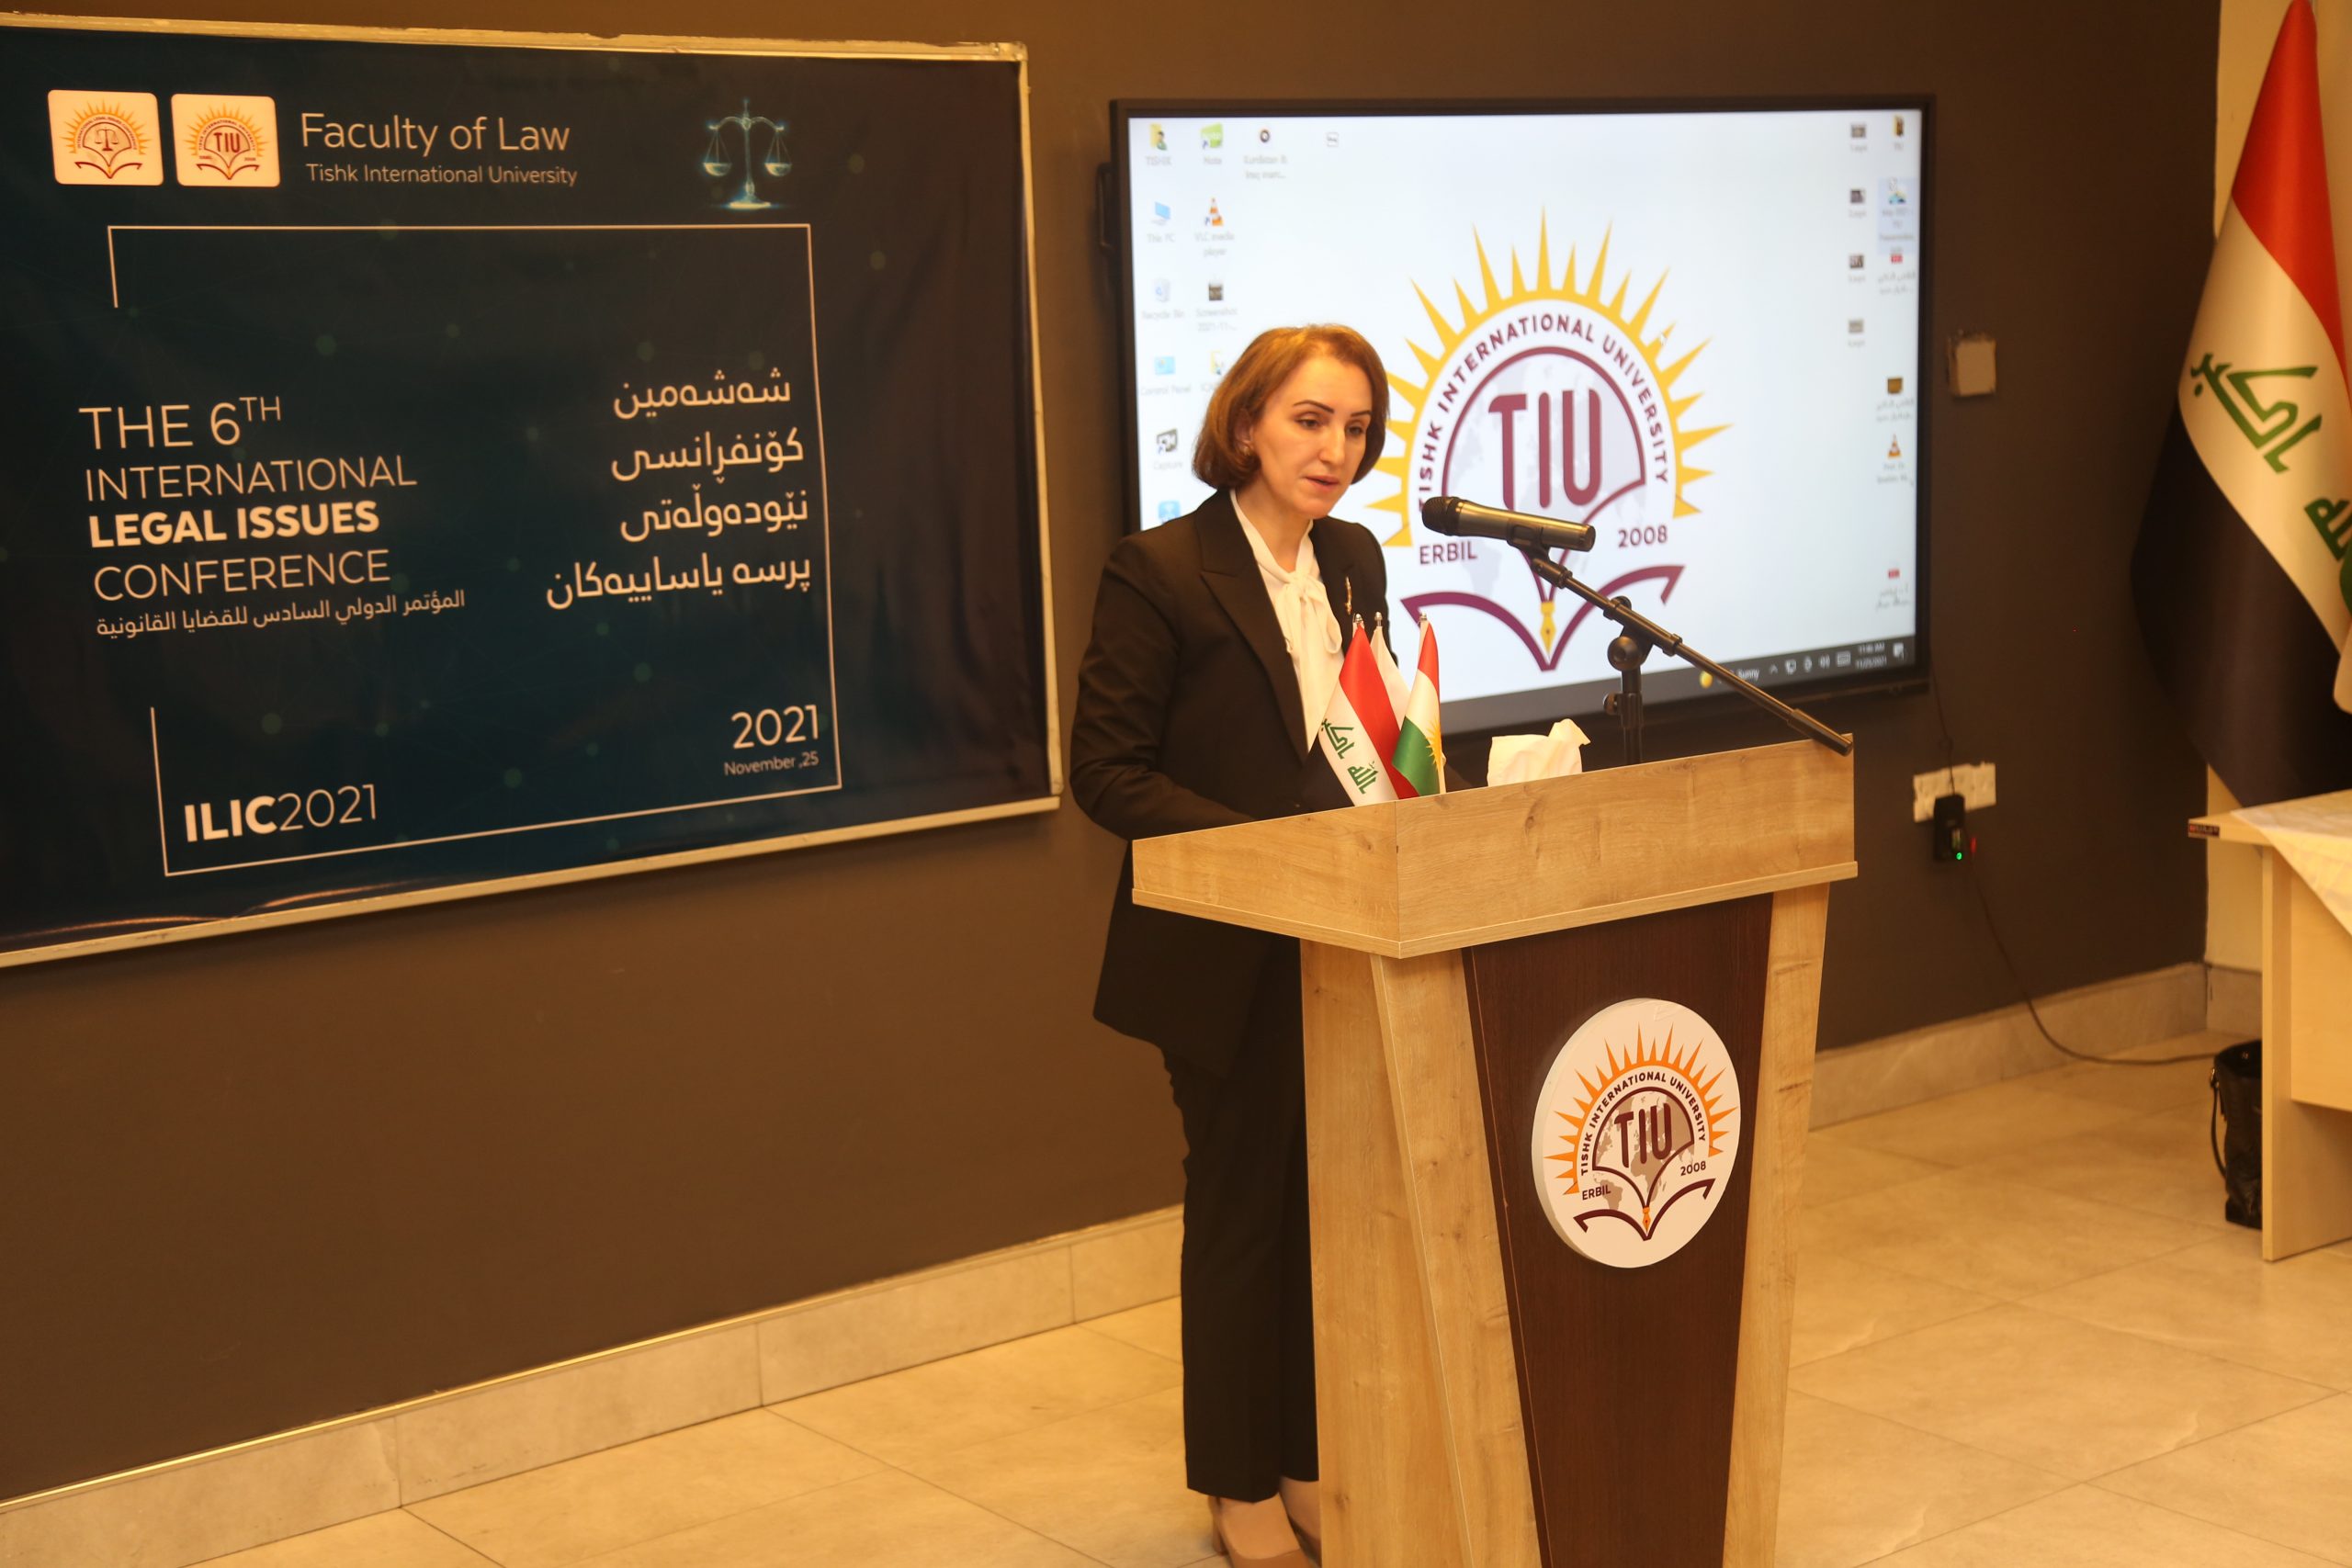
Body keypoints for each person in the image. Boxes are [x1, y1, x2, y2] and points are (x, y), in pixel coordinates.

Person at [1069, 324, 1391, 1568]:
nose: (1335, 450)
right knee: (1245, 1214)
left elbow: (1366, 732)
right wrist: (1269, 850)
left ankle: (1301, 1458)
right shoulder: (1159, 570)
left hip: (1340, 942)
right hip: (1219, 952)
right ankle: (1236, 1487)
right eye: (1311, 420)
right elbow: (1109, 774)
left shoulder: (1353, 558)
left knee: (1323, 1215)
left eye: (1356, 428)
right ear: (1246, 423)